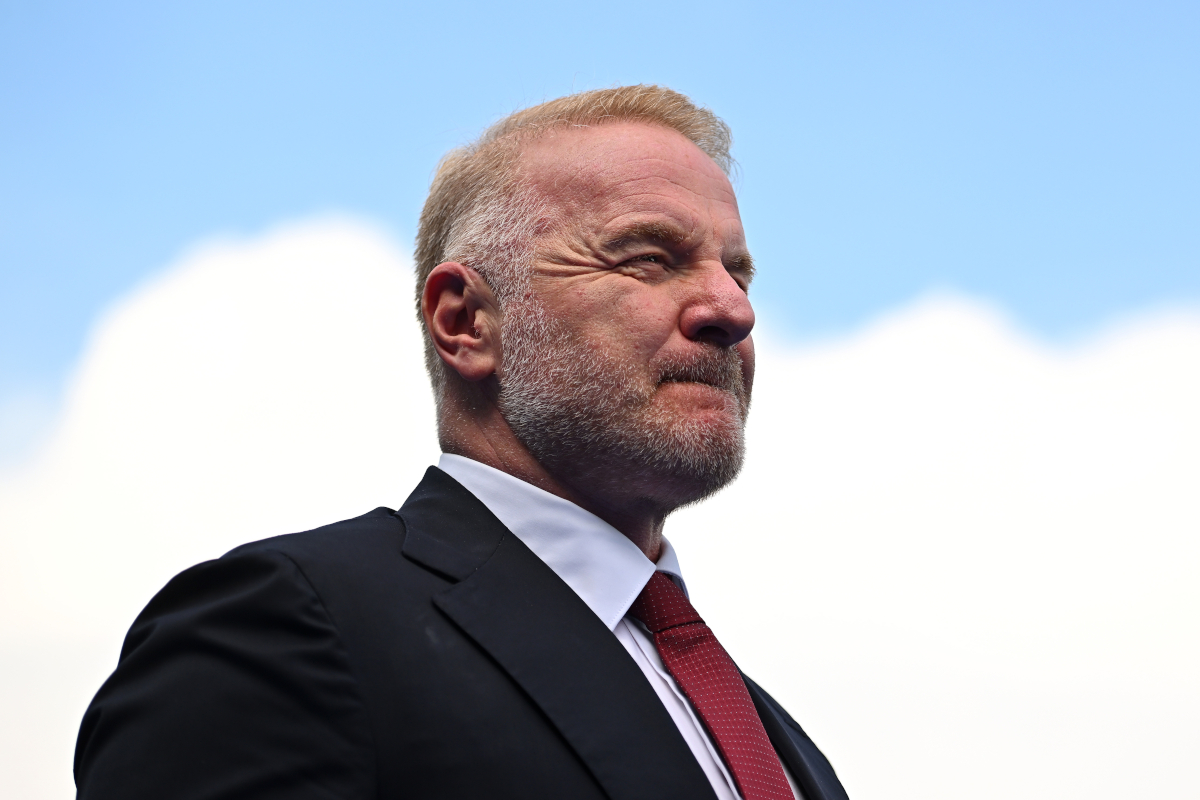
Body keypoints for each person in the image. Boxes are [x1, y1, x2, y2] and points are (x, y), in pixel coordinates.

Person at [74, 85, 849, 800]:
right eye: (649, 257)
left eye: (739, 275)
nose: (730, 310)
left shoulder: (784, 749)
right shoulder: (289, 629)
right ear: (465, 321)